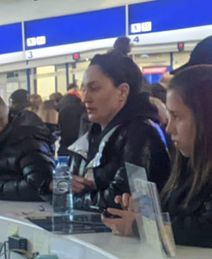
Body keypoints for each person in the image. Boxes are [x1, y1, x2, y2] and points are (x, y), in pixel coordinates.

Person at [103, 66, 212, 248]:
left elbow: (205, 229)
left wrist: (142, 225)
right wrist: (143, 210)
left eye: (177, 117)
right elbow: (179, 216)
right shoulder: (186, 167)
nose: (169, 129)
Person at [69, 52, 171, 212]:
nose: (85, 98)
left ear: (122, 91)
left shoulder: (142, 133)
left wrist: (72, 197)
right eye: (84, 89)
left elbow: (120, 199)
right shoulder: (92, 132)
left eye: (94, 88)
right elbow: (69, 181)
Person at [58, 82, 87, 156]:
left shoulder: (61, 102)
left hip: (64, 142)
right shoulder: (79, 103)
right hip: (78, 143)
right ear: (76, 90)